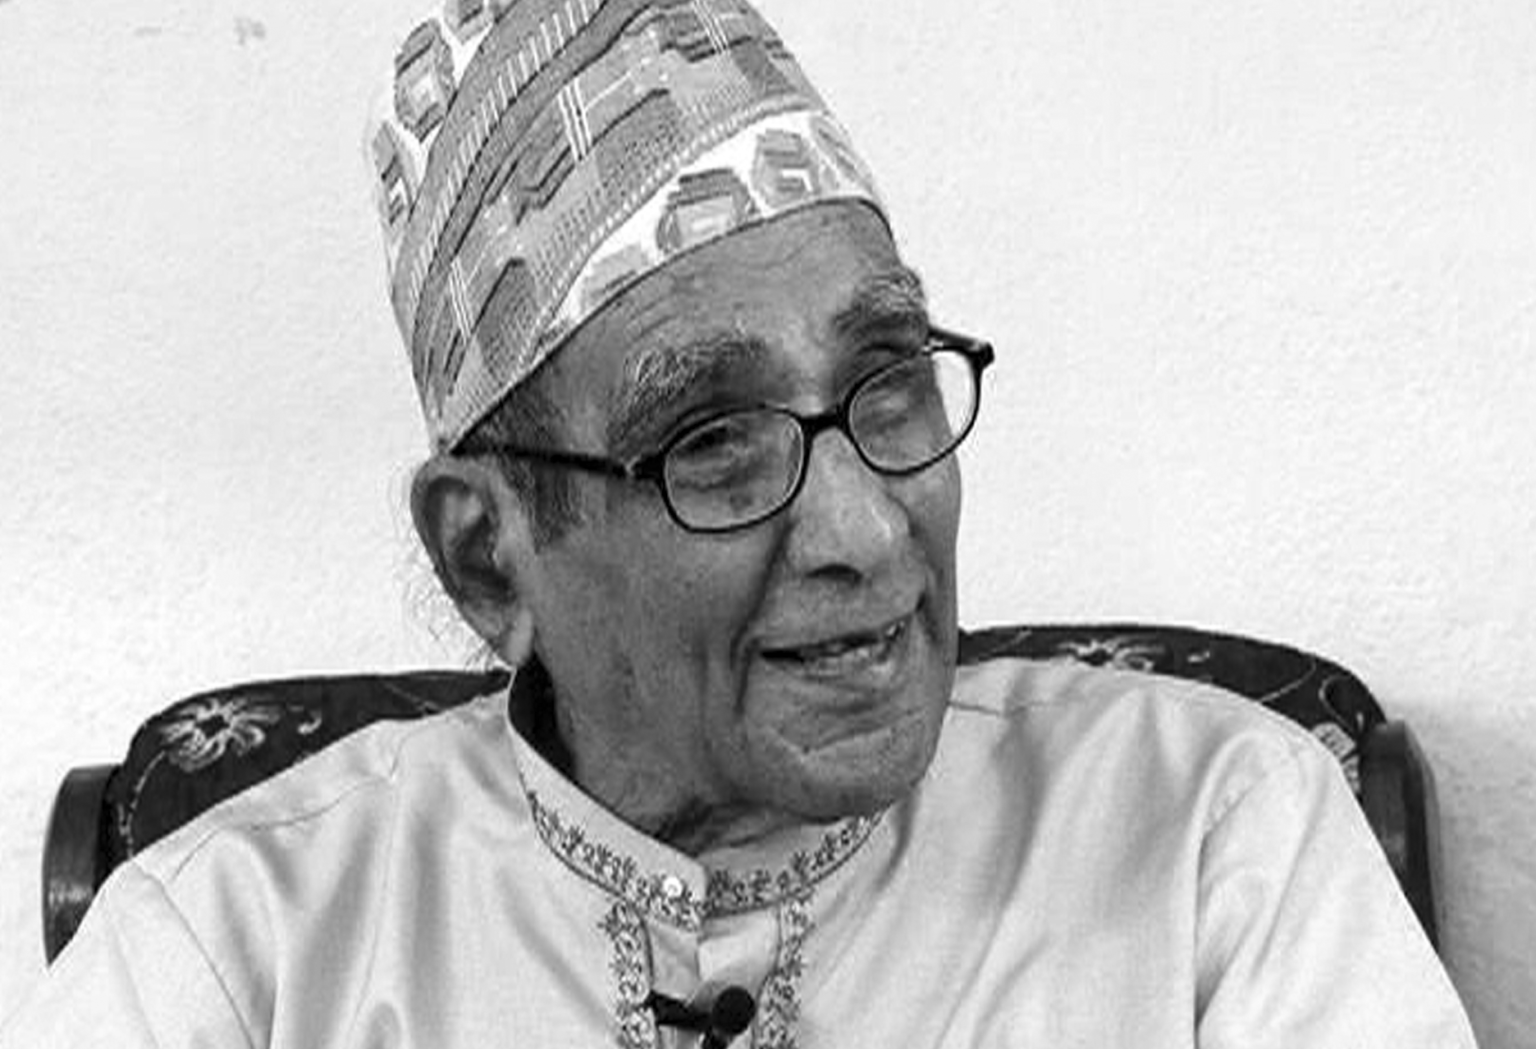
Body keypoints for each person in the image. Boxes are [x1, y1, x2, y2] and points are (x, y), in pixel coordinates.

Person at [0, 1, 1477, 1046]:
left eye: (889, 384)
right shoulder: (236, 948)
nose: (869, 533)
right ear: (488, 556)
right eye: (712, 442)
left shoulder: (1215, 831)